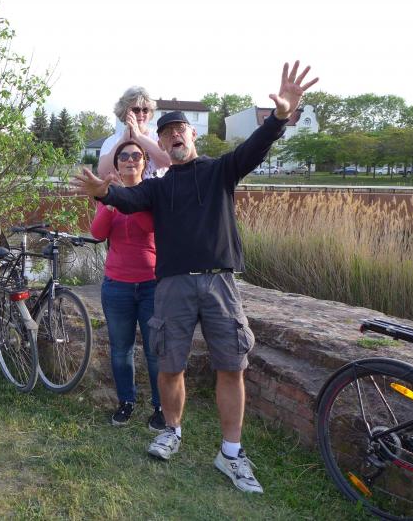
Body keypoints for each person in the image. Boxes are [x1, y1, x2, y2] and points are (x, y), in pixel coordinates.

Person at [71, 61, 318, 493]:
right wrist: (103, 192)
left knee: (231, 366)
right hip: (172, 285)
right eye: (166, 133)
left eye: (179, 130)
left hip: (220, 284)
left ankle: (231, 453)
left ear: (192, 136)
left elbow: (255, 148)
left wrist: (280, 117)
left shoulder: (220, 171)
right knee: (170, 364)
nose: (174, 136)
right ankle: (171, 430)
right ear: (161, 144)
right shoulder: (158, 187)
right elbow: (126, 198)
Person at [91, 141, 164, 430]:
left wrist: (126, 198)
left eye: (136, 155)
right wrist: (111, 202)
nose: (130, 160)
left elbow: (150, 226)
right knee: (121, 349)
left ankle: (160, 406)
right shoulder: (108, 196)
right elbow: (97, 234)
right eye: (124, 156)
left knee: (154, 350)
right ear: (117, 164)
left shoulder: (152, 193)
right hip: (117, 286)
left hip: (151, 286)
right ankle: (126, 401)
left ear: (144, 162)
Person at [97, 86, 171, 180]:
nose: (141, 114)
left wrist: (139, 136)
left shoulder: (159, 137)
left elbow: (170, 161)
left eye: (145, 110)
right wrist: (124, 140)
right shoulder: (112, 141)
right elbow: (103, 173)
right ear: (125, 111)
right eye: (136, 110)